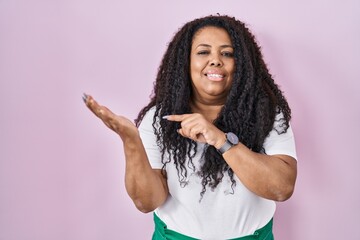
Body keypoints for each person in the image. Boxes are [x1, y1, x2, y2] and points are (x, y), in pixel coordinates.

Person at [83, 15, 297, 240]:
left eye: (227, 53)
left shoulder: (266, 114)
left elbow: (281, 188)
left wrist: (220, 140)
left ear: (241, 64)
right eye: (203, 52)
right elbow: (146, 202)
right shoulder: (158, 119)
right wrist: (130, 139)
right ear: (185, 62)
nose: (215, 60)